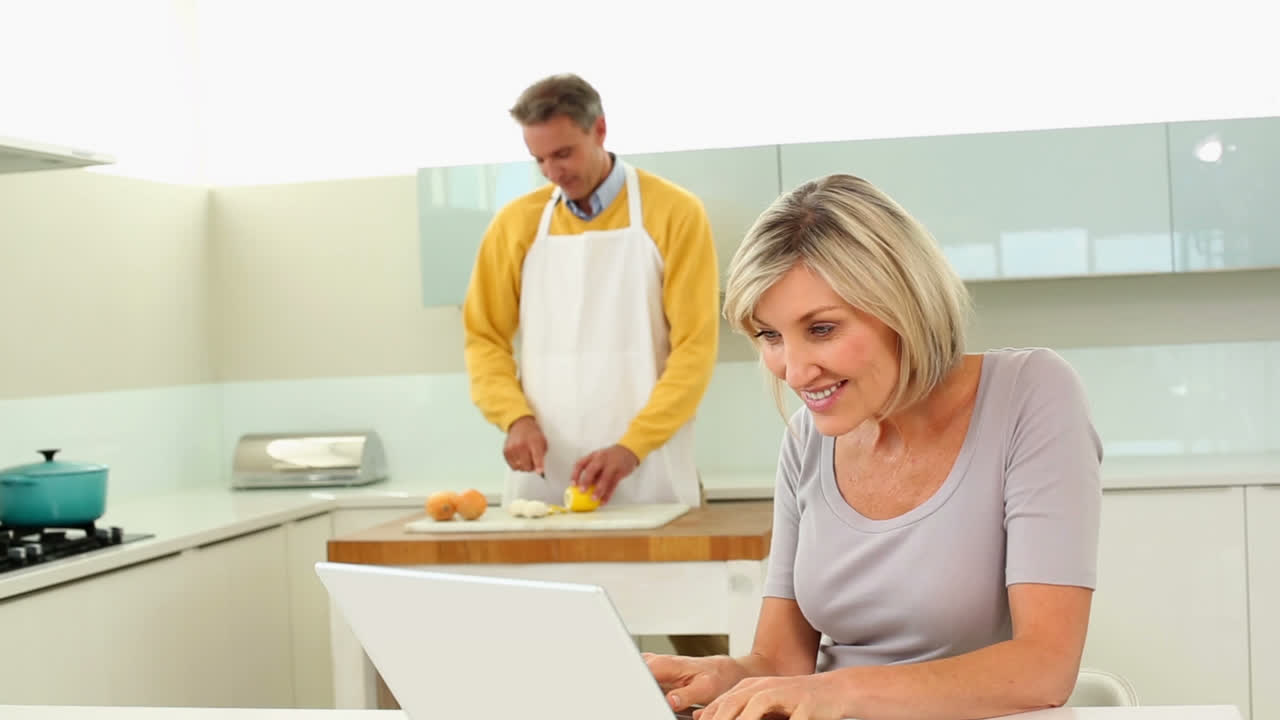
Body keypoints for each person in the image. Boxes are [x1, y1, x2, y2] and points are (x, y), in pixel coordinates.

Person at [645, 174, 1103, 720]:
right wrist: (729, 675)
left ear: (902, 305)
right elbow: (783, 660)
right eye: (770, 336)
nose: (793, 371)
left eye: (821, 330)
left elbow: (1043, 668)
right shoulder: (806, 440)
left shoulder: (1030, 394)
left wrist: (838, 691)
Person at [461, 74, 725, 656]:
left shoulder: (673, 213)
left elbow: (695, 348)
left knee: (700, 647)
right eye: (539, 160)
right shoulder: (515, 226)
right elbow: (483, 337)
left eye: (564, 152)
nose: (553, 171)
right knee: (555, 649)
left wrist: (632, 447)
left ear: (600, 130)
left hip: (652, 469)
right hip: (546, 478)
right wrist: (513, 418)